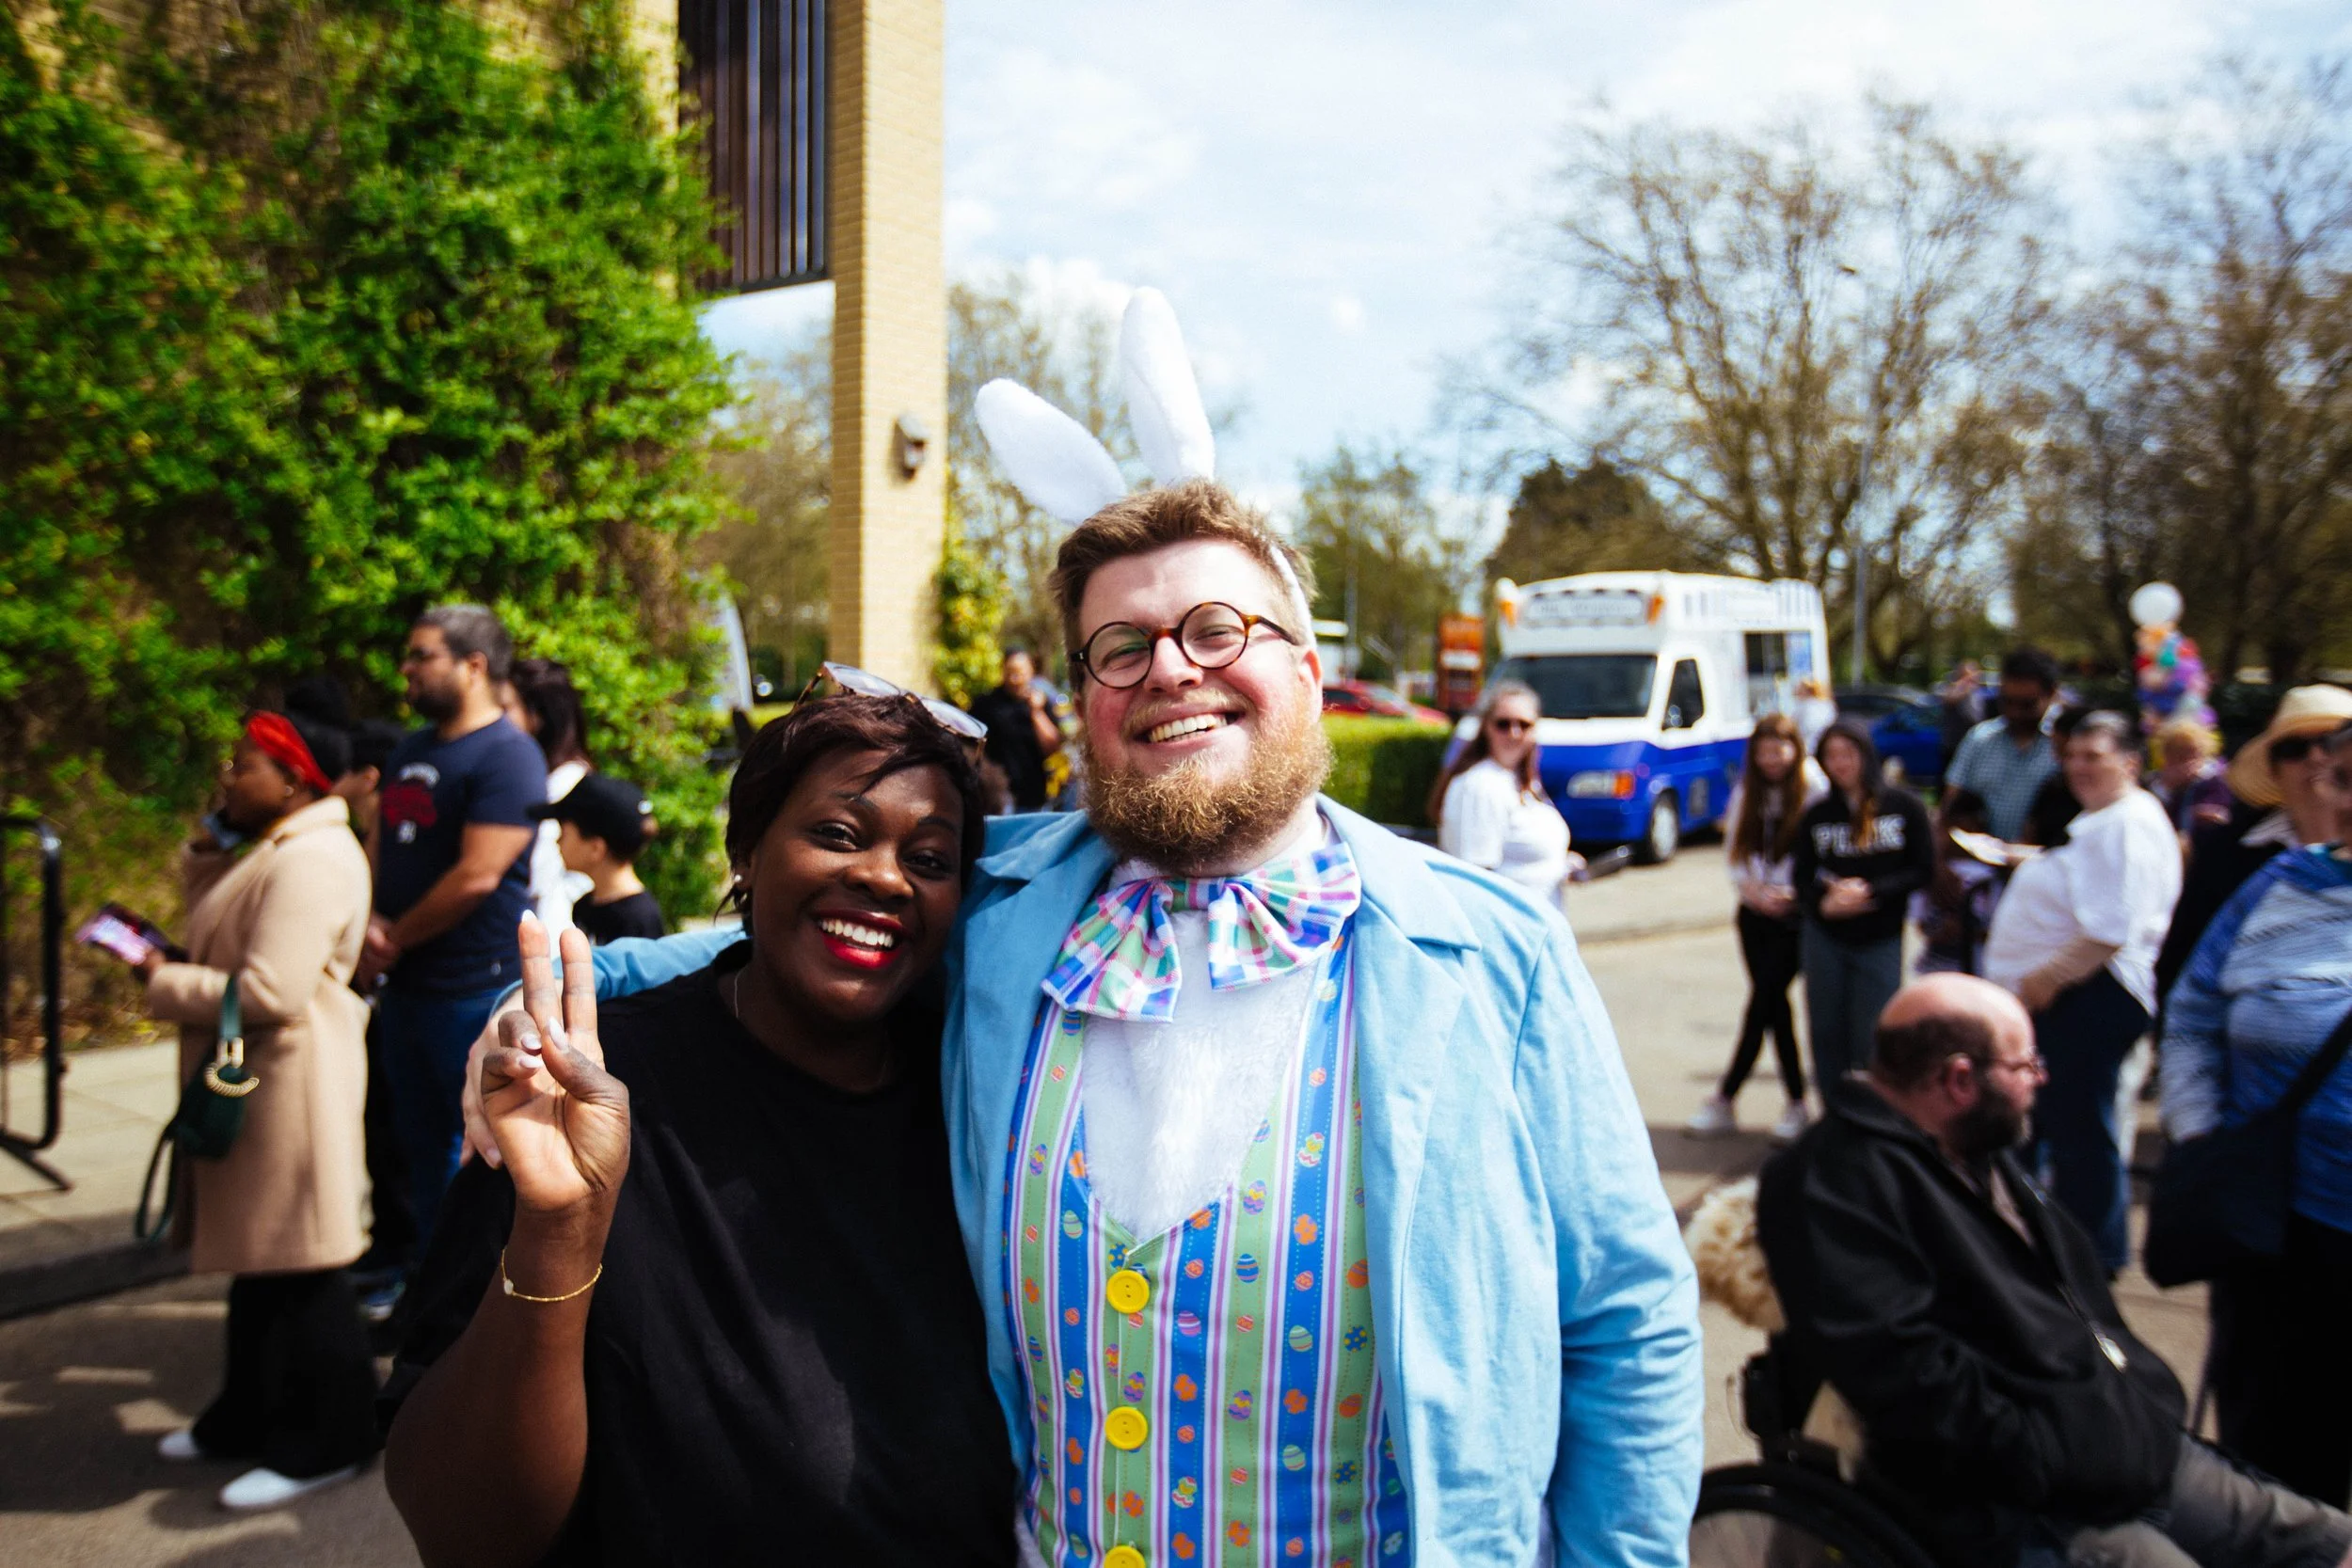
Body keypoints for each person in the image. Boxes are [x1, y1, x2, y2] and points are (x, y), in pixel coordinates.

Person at [495, 480, 1705, 1563]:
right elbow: (812, 916)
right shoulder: (1008, 901)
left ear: (1303, 667)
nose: (1169, 668)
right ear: (1085, 704)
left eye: (1217, 629)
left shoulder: (1494, 950)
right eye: (1118, 648)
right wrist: (563, 990)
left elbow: (1627, 1323)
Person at [385, 697, 1015, 1564]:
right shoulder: (584, 1096)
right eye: (837, 832)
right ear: (749, 850)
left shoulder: (983, 1102)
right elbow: (463, 1531)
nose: (883, 875)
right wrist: (558, 1233)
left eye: (930, 857)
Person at [1758, 974, 2352, 1568]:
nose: (2041, 1079)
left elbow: (2082, 1310)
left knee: (2331, 1543)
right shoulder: (1834, 1183)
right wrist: (2063, 1455)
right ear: (1959, 1078)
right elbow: (1911, 1383)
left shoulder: (1970, 1146)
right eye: (2024, 1066)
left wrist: (2133, 1405)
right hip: (2003, 1499)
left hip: (2116, 1446)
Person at [132, 713, 380, 1510]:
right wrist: (210, 841)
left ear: (295, 777)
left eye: (244, 766)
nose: (229, 776)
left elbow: (272, 990)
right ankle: (243, 1417)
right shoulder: (276, 846)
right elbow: (218, 930)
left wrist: (159, 979)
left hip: (292, 1085)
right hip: (266, 1083)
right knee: (263, 1265)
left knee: (304, 1267)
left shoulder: (312, 857)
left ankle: (332, 1441)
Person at [2161, 719, 2352, 1508]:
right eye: (2343, 776)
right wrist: (2204, 1132)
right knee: (2272, 1463)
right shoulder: (2278, 884)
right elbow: (2193, 1011)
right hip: (2275, 1224)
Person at [365, 604, 545, 1251]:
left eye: (422, 655)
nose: (406, 669)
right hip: (406, 989)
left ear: (473, 666)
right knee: (412, 1147)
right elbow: (380, 842)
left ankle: (459, 1305)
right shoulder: (411, 749)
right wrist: (368, 922)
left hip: (470, 989)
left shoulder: (508, 755)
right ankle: (419, 1286)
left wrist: (392, 937)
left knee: (469, 1151)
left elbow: (479, 873)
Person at [1978, 711, 2180, 1273]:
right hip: (2077, 995)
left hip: (2090, 995)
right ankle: (2044, 1241)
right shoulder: (2110, 819)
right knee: (2051, 1126)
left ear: (2130, 762)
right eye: (2072, 756)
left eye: (2094, 756)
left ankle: (2093, 1255)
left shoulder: (2127, 823)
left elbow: (2111, 930)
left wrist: (2045, 981)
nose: (2078, 768)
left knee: (2079, 1133)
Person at [2155, 684, 2352, 1006]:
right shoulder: (2228, 852)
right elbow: (2180, 967)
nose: (2315, 757)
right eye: (2294, 748)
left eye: (2330, 743)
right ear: (2274, 770)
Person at [1690, 711, 1823, 1142]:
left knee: (1765, 1000)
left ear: (1794, 748)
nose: (1771, 760)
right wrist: (1749, 890)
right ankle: (1796, 1104)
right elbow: (1735, 848)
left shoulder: (1813, 787)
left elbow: (1823, 851)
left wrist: (1796, 894)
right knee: (1772, 1005)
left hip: (1794, 916)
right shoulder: (1749, 789)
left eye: (1779, 750)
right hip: (1753, 914)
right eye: (1763, 751)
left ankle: (1728, 1095)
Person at [1793, 720, 1933, 1086]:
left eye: (1848, 754)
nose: (1840, 764)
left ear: (1866, 755)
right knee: (1826, 1028)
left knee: (1874, 1031)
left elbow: (1922, 868)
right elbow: (1802, 875)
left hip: (1881, 936)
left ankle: (1872, 1120)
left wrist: (1872, 892)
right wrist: (1824, 904)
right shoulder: (1817, 814)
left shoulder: (1904, 806)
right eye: (1831, 756)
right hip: (1825, 936)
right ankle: (1833, 1116)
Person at [1430, 679, 1577, 899]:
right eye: (1503, 724)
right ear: (1486, 727)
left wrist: (1561, 864)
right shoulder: (1480, 786)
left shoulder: (1521, 781)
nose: (1514, 733)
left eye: (1524, 724)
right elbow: (1475, 881)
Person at [506, 657, 596, 934]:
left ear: (537, 718)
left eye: (505, 708)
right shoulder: (552, 779)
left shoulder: (567, 785)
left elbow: (536, 876)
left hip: (553, 940)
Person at [529, 772, 665, 944]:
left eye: (563, 833)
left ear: (595, 848)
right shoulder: (584, 906)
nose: (557, 841)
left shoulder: (640, 920)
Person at [1945, 646, 2062, 843]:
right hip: (1981, 866)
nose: (2015, 712)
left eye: (2027, 705)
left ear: (2052, 694)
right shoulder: (1979, 739)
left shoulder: (2070, 745)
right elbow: (1950, 803)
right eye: (2007, 701)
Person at [968, 646, 1062, 812]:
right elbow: (969, 743)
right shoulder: (987, 704)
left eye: (1021, 672)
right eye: (1010, 671)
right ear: (1002, 671)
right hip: (998, 796)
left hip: (1034, 797)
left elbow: (1052, 748)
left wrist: (1036, 712)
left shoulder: (1040, 703)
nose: (1015, 678)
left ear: (1031, 671)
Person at [2150, 716, 2233, 838]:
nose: (2186, 763)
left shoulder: (2213, 782)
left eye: (2190, 755)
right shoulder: (2155, 784)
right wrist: (2168, 786)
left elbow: (2224, 813)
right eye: (2178, 756)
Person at [1936, 657, 1988, 774]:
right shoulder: (1953, 690)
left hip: (1973, 747)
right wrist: (1965, 684)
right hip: (1954, 746)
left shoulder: (1978, 694)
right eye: (1967, 676)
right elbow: (1949, 699)